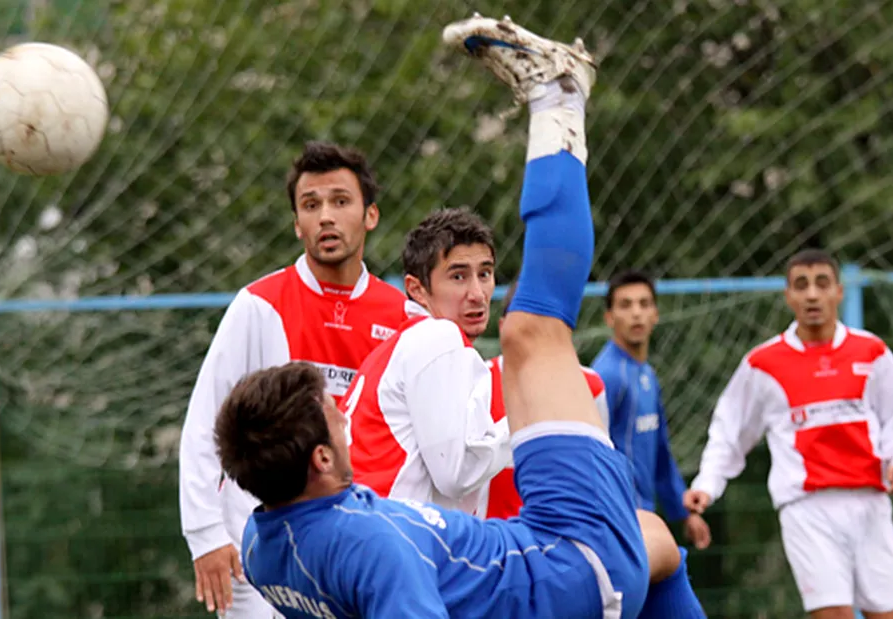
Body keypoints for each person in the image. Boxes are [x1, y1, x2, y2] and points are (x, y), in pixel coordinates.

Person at [214, 15, 704, 617]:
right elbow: (442, 489)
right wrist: (518, 425)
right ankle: (558, 95)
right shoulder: (373, 539)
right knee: (532, 330)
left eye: (483, 273)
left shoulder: (265, 545)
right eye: (329, 415)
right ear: (318, 458)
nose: (342, 410)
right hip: (571, 567)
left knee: (655, 543)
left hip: (543, 552)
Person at [178, 141, 408, 616]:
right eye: (311, 205)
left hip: (362, 545)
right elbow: (205, 421)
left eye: (340, 201)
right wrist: (204, 534)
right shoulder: (259, 305)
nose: (326, 216)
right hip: (259, 552)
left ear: (370, 216)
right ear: (296, 223)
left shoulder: (404, 316)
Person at [684, 249, 893, 619]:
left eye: (822, 283)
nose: (812, 294)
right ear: (788, 295)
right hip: (808, 511)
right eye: (801, 285)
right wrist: (707, 485)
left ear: (838, 292)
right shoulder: (762, 363)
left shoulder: (871, 352)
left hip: (871, 504)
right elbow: (729, 431)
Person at [340, 207, 511, 517]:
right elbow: (456, 474)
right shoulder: (438, 337)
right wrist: (528, 422)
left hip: (362, 528)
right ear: (417, 289)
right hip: (383, 533)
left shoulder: (406, 342)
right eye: (458, 276)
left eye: (484, 274)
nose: (477, 293)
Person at [592, 269, 712, 550]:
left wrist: (683, 512)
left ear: (655, 314)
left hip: (643, 518)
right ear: (609, 317)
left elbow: (659, 451)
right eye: (626, 305)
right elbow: (589, 454)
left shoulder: (646, 374)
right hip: (615, 521)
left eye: (644, 304)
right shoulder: (607, 376)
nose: (636, 313)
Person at [484, 281, 610, 520]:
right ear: (504, 328)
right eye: (526, 326)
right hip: (495, 544)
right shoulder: (478, 382)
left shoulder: (591, 387)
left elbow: (597, 473)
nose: (535, 336)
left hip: (564, 541)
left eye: (545, 325)